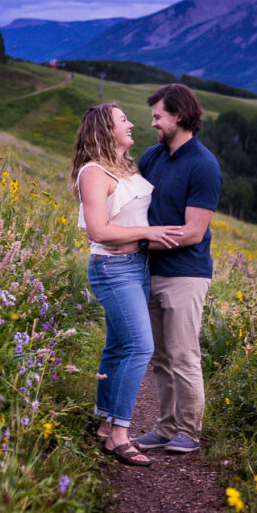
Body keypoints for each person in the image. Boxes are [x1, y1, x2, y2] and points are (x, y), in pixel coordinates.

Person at [72, 103, 183, 467]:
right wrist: (149, 232)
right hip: (112, 266)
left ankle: (105, 423)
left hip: (136, 265)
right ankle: (119, 433)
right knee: (139, 346)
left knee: (119, 346)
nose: (132, 123)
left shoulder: (125, 167)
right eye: (123, 120)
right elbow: (98, 230)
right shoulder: (94, 172)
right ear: (106, 130)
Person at [133, 84, 222, 455]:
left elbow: (193, 233)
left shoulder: (203, 165)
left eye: (158, 117)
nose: (152, 123)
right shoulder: (152, 157)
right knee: (160, 357)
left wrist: (136, 241)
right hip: (149, 270)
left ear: (180, 116)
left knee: (184, 354)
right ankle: (166, 427)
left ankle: (189, 430)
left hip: (186, 274)